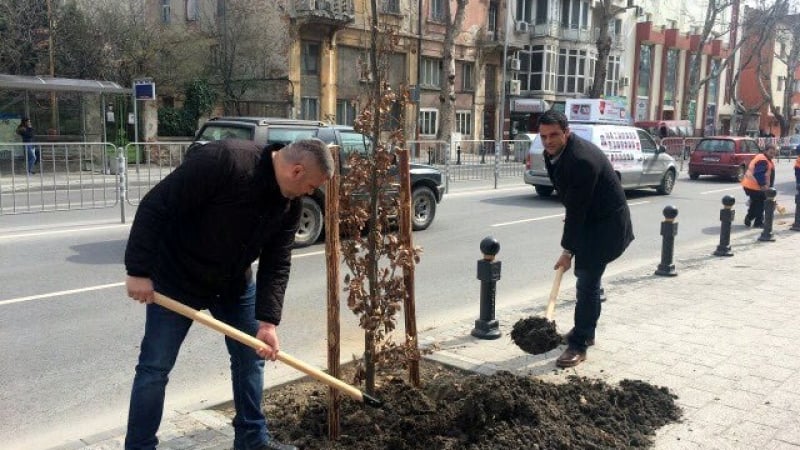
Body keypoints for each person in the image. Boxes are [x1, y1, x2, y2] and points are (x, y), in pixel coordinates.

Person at [123, 138, 334, 450]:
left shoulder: (289, 204)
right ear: (297, 170)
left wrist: (267, 322)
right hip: (177, 279)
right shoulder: (224, 161)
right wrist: (138, 270)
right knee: (155, 368)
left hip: (232, 283)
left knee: (251, 357)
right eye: (311, 186)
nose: (310, 193)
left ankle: (252, 440)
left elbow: (277, 263)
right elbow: (157, 205)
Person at [538, 109, 634, 368]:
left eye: (554, 135)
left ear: (567, 133)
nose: (548, 141)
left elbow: (578, 210)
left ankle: (579, 344)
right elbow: (574, 201)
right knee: (587, 281)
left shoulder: (581, 160)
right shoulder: (555, 153)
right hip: (590, 220)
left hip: (606, 228)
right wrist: (574, 215)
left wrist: (567, 251)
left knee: (587, 283)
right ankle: (586, 332)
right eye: (543, 136)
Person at [741, 144, 777, 228]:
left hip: (751, 185)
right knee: (761, 204)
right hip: (755, 186)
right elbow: (759, 174)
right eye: (771, 153)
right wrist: (763, 185)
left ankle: (749, 217)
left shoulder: (764, 158)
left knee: (756, 203)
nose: (772, 155)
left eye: (774, 153)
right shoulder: (763, 160)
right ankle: (758, 222)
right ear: (765, 151)